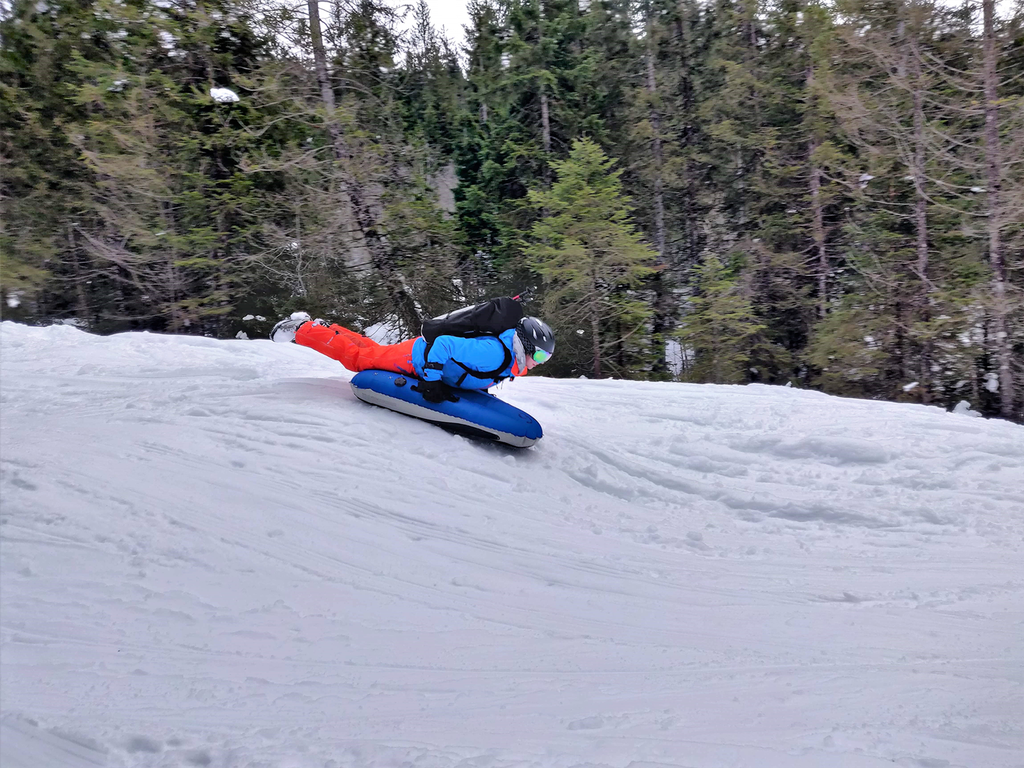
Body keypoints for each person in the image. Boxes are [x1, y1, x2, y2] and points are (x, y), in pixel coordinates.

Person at [270, 310, 555, 403]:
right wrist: (431, 380)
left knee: (371, 350)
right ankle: (303, 329)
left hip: (420, 355)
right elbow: (443, 344)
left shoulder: (507, 359)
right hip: (415, 358)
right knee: (358, 358)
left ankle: (326, 328)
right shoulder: (494, 353)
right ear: (526, 346)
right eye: (539, 355)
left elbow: (472, 371)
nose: (538, 362)